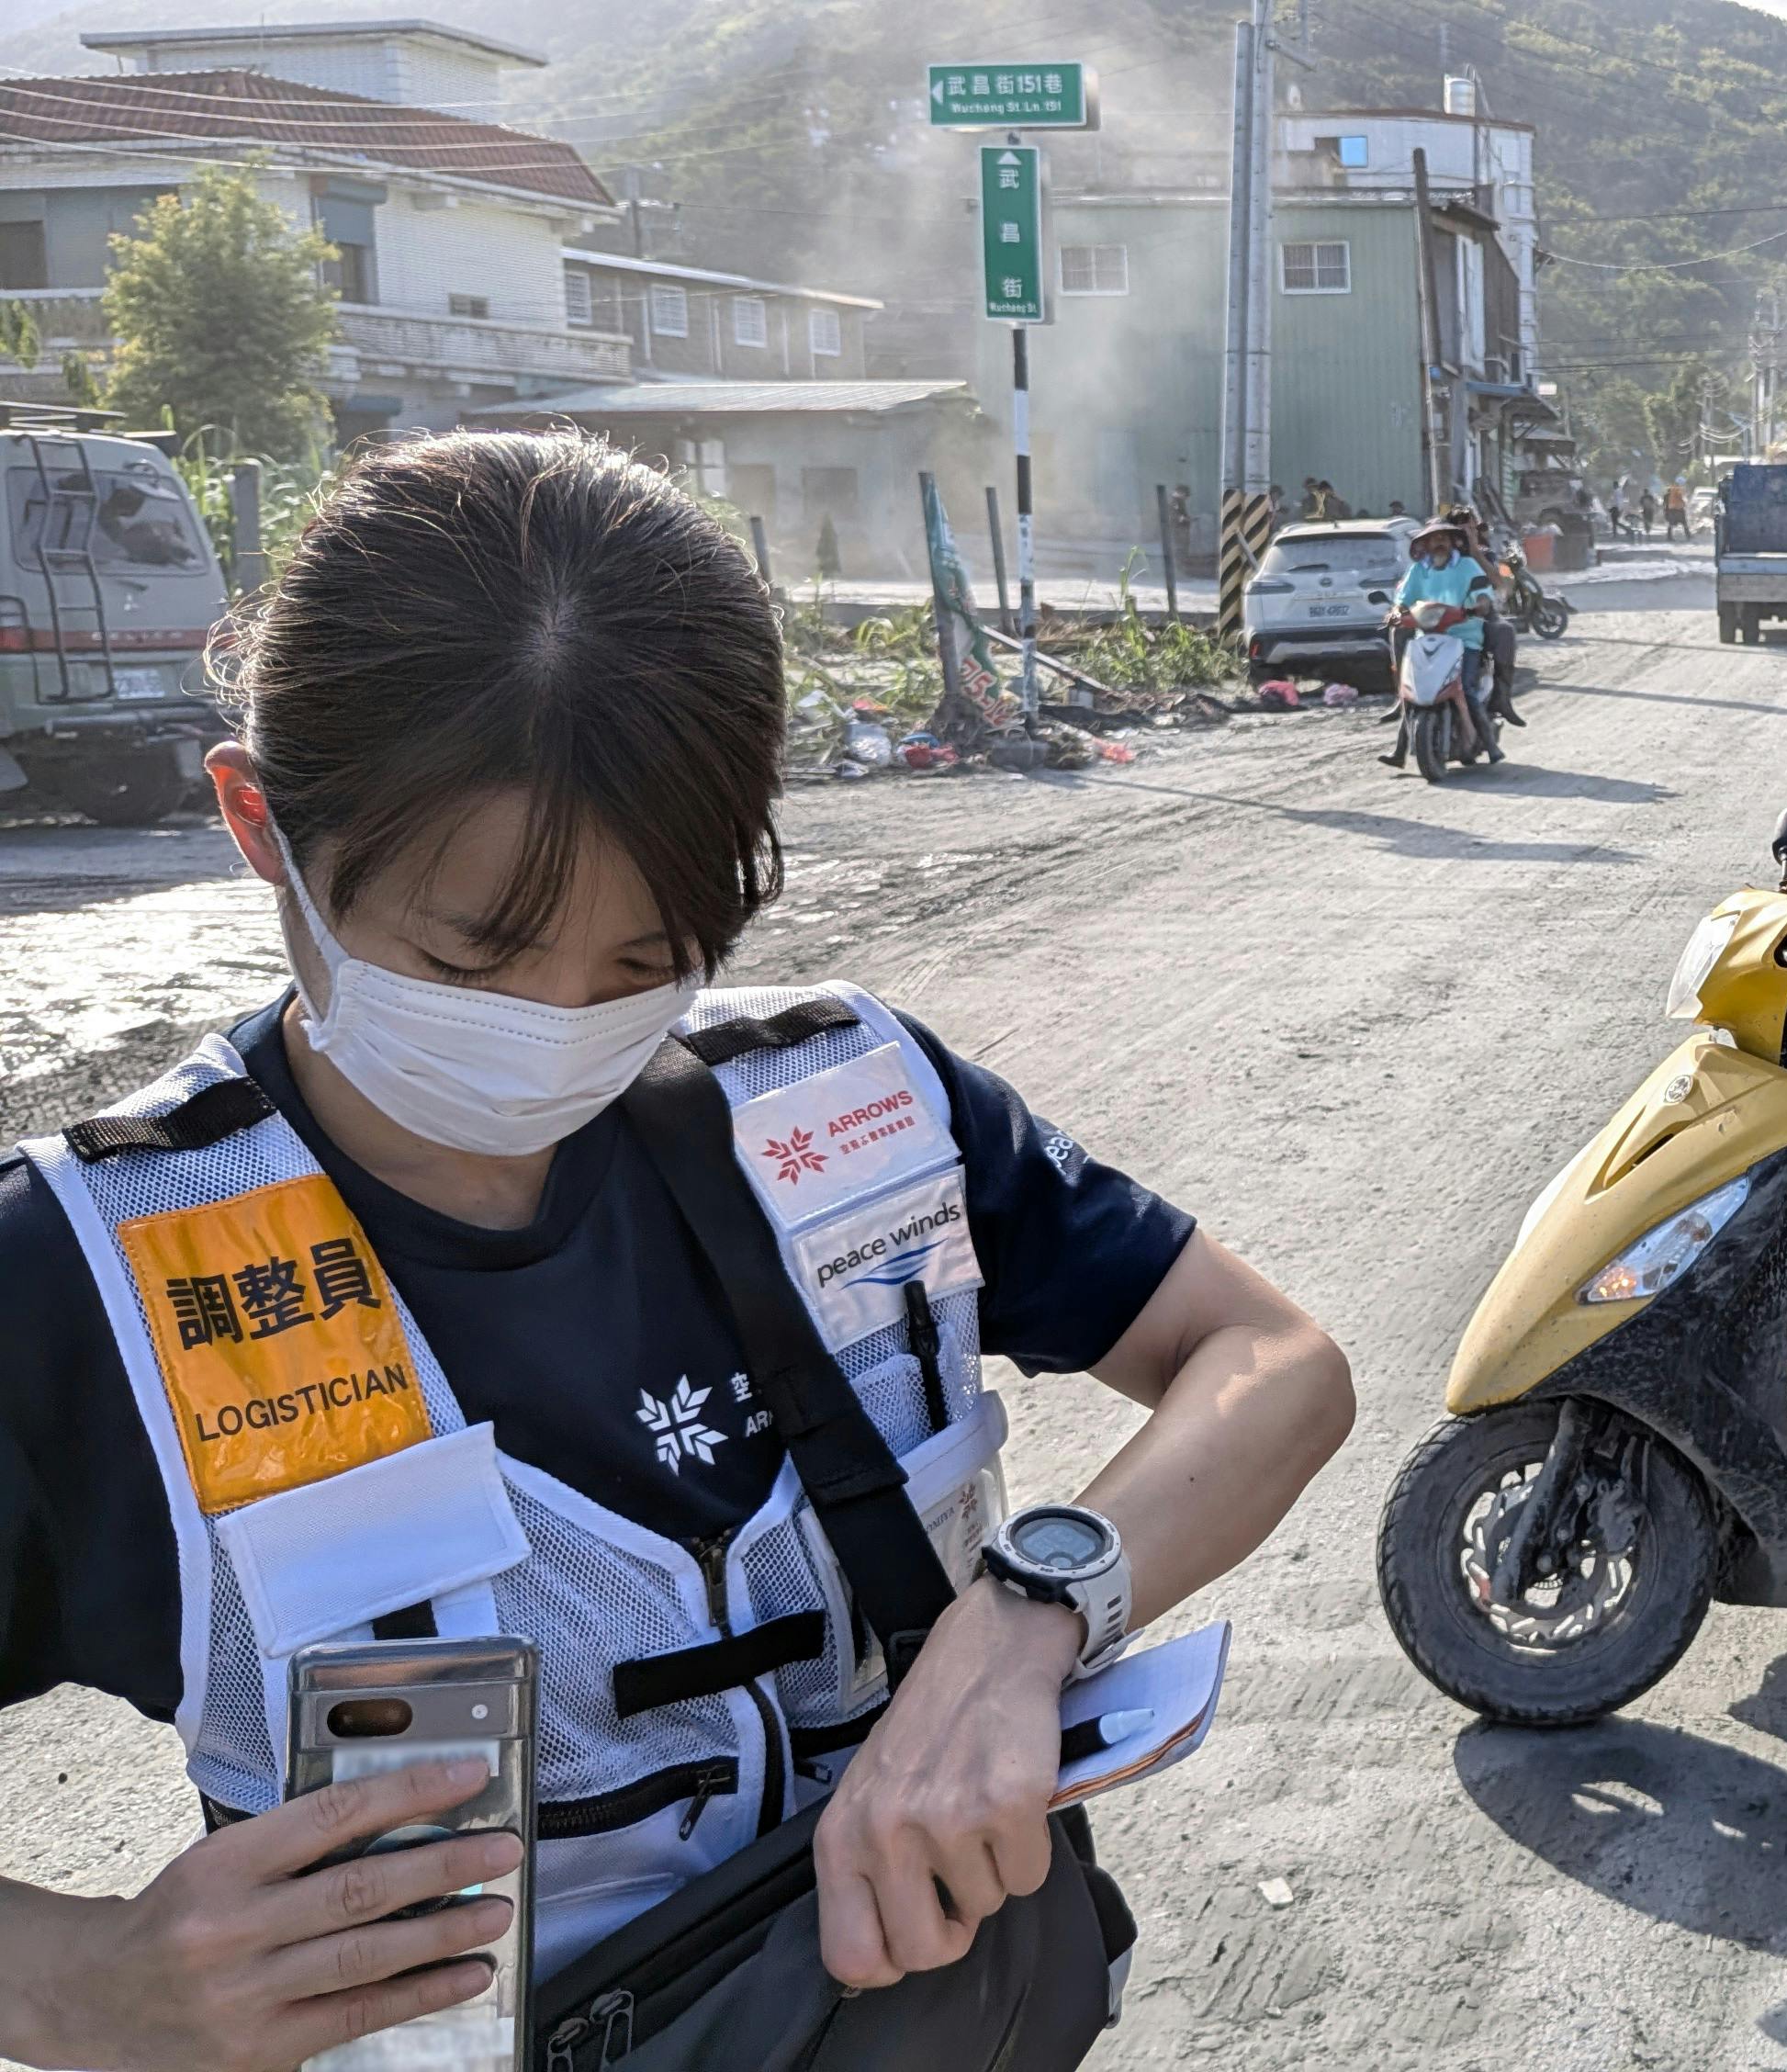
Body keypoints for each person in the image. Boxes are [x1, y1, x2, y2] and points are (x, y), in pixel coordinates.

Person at [0, 432, 1356, 2070]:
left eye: (647, 960)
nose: (559, 1027)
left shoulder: (846, 1103)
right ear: (257, 823)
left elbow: (1272, 1360)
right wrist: (80, 1983)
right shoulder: (88, 1279)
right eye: (471, 960)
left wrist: (1029, 1620)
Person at [1383, 519, 1496, 767]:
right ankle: (1400, 749)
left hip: (1465, 638)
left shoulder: (1467, 566)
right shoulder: (1418, 571)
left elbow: (1483, 593)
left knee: (1467, 688)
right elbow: (1402, 601)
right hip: (1426, 638)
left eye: (1444, 537)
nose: (1440, 542)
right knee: (1411, 692)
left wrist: (1480, 604)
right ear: (1425, 544)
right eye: (1434, 538)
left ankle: (1489, 742)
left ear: (1453, 541)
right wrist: (1396, 613)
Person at [1438, 501, 1526, 730]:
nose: (1467, 533)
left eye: (1471, 528)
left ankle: (1502, 698)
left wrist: (1476, 553)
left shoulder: (1487, 554)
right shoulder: (1439, 555)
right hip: (1442, 616)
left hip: (1480, 615)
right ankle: (1404, 701)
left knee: (1505, 632)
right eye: (1461, 530)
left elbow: (1502, 584)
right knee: (1400, 632)